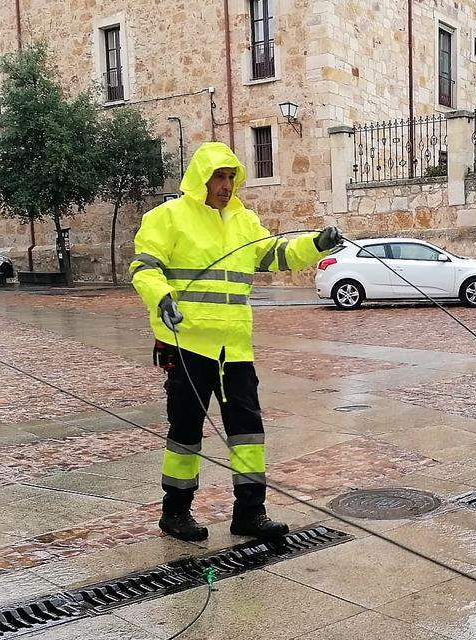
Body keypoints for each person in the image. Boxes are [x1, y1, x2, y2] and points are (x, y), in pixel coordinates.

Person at [130, 142, 341, 542]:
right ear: (200, 179)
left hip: (235, 348)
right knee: (186, 431)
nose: (226, 186)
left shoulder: (244, 221)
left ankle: (250, 512)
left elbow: (276, 254)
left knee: (247, 431)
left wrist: (316, 243)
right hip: (187, 344)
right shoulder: (167, 218)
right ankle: (175, 513)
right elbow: (144, 267)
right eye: (218, 177)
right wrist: (162, 298)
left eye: (231, 177)